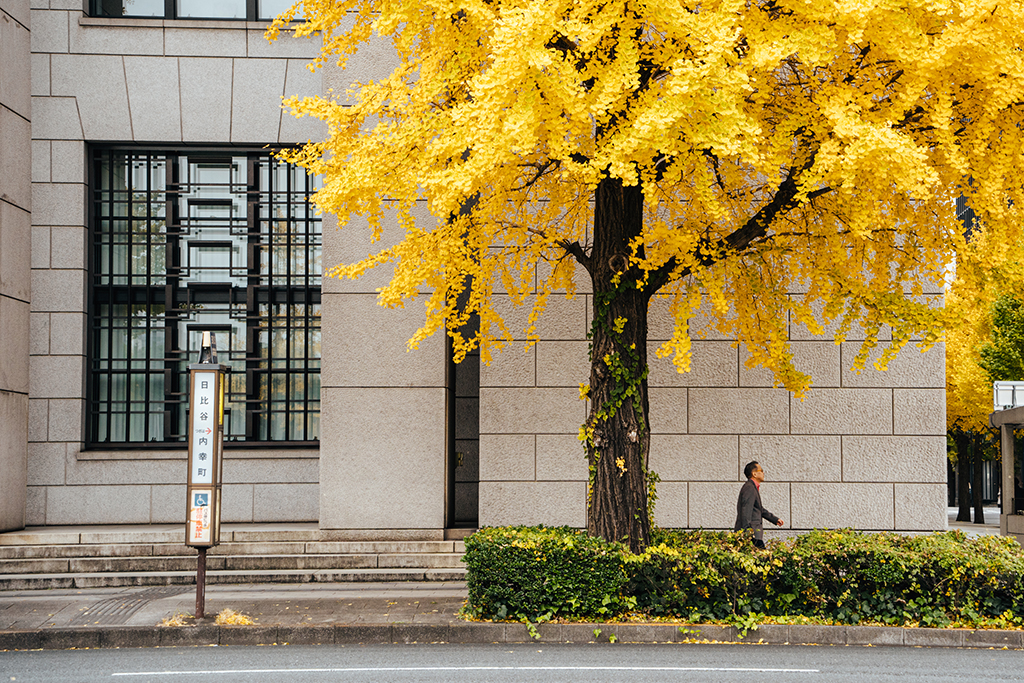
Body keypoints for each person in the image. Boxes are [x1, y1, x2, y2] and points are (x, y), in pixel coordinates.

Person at [735, 460, 784, 549]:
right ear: (754, 474)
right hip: (752, 535)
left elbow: (759, 508)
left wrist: (774, 519)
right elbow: (746, 511)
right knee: (763, 559)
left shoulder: (752, 487)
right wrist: (747, 534)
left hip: (753, 534)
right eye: (761, 471)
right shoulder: (749, 488)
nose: (763, 473)